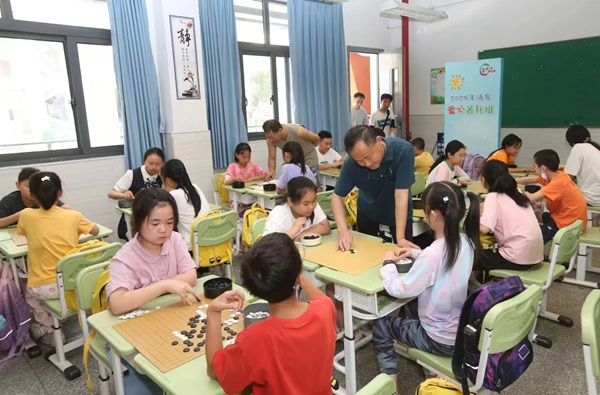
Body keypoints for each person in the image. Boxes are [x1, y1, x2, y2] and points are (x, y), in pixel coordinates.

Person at [372, 181, 480, 392]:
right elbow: (442, 264)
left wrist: (387, 264)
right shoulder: (467, 241)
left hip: (439, 338)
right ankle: (430, 372)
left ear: (432, 214)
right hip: (460, 331)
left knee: (381, 326)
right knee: (411, 307)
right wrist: (414, 254)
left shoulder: (433, 253)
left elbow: (399, 289)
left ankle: (390, 388)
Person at [206, 233, 336, 394]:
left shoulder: (254, 339)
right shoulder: (324, 309)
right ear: (299, 271)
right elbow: (320, 298)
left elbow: (213, 370)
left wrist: (212, 311)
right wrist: (297, 276)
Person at [107, 188, 200, 395]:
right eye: (155, 223)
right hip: (130, 335)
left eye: (169, 222)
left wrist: (163, 286)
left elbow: (191, 275)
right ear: (137, 221)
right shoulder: (125, 258)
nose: (164, 230)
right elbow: (117, 303)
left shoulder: (174, 240)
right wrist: (165, 285)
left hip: (169, 320)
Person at [17, 172, 99, 343]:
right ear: (60, 193)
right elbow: (96, 231)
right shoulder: (73, 216)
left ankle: (50, 328)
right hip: (74, 284)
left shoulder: (25, 215)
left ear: (32, 195)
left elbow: (23, 234)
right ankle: (64, 317)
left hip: (43, 289)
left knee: (29, 294)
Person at [332, 126, 417, 249]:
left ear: (378, 141)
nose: (366, 164)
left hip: (398, 213)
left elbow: (401, 195)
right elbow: (337, 197)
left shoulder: (403, 150)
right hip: (368, 212)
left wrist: (400, 238)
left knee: (404, 255)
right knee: (365, 254)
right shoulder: (350, 163)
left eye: (368, 157)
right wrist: (343, 231)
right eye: (359, 161)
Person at [478, 160, 543, 275]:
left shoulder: (492, 197)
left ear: (483, 180)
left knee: (466, 257)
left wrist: (471, 218)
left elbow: (484, 229)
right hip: (535, 255)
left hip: (516, 258)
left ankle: (474, 290)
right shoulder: (517, 192)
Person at [516, 149, 587, 244]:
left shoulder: (557, 183)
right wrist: (511, 181)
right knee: (539, 216)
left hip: (567, 225)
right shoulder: (559, 175)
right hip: (572, 220)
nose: (534, 169)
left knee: (530, 236)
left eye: (535, 166)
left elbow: (531, 198)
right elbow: (532, 179)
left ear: (543, 168)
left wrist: (521, 190)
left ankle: (530, 254)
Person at [108, 147, 165, 240]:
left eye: (158, 164)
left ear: (163, 163)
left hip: (156, 218)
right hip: (135, 219)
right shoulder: (132, 174)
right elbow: (111, 193)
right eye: (150, 163)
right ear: (144, 161)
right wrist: (123, 195)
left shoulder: (163, 175)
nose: (154, 167)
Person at [161, 159, 210, 250]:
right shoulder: (195, 187)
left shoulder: (173, 195)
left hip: (191, 245)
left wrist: (167, 190)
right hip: (210, 239)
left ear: (168, 180)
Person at [0, 167, 70, 228]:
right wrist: (19, 216)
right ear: (18, 185)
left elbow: (65, 208)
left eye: (37, 187)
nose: (32, 190)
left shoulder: (45, 197)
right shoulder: (9, 201)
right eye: (28, 187)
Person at [263, 177, 331, 240]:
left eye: (314, 201)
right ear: (291, 202)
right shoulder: (279, 214)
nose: (311, 207)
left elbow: (326, 227)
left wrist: (300, 235)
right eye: (305, 204)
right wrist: (294, 230)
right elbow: (269, 245)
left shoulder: (312, 204)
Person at [564, 125, 600, 206]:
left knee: (559, 197)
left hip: (592, 198)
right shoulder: (595, 148)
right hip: (597, 195)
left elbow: (567, 177)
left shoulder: (578, 148)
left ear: (571, 141)